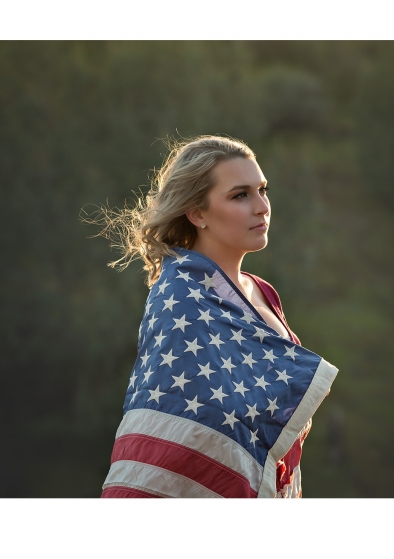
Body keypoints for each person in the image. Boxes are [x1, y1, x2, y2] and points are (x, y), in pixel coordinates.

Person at [93, 135, 338, 498]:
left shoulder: (262, 292)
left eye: (263, 190)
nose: (262, 207)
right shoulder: (178, 297)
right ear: (197, 213)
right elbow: (180, 430)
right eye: (241, 195)